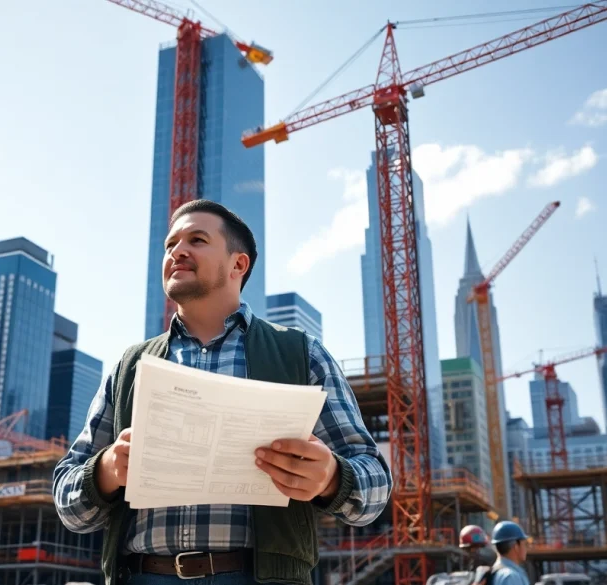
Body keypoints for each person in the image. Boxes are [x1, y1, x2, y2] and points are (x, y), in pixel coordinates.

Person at [53, 199, 392, 585]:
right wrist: (107, 470)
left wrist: (331, 476)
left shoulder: (301, 354)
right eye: (170, 245)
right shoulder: (129, 367)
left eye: (197, 239)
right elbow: (69, 503)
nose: (177, 251)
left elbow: (374, 485)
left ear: (238, 264)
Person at [489, 521, 531, 585]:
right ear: (516, 547)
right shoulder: (511, 576)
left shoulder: (495, 572)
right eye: (525, 544)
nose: (526, 548)